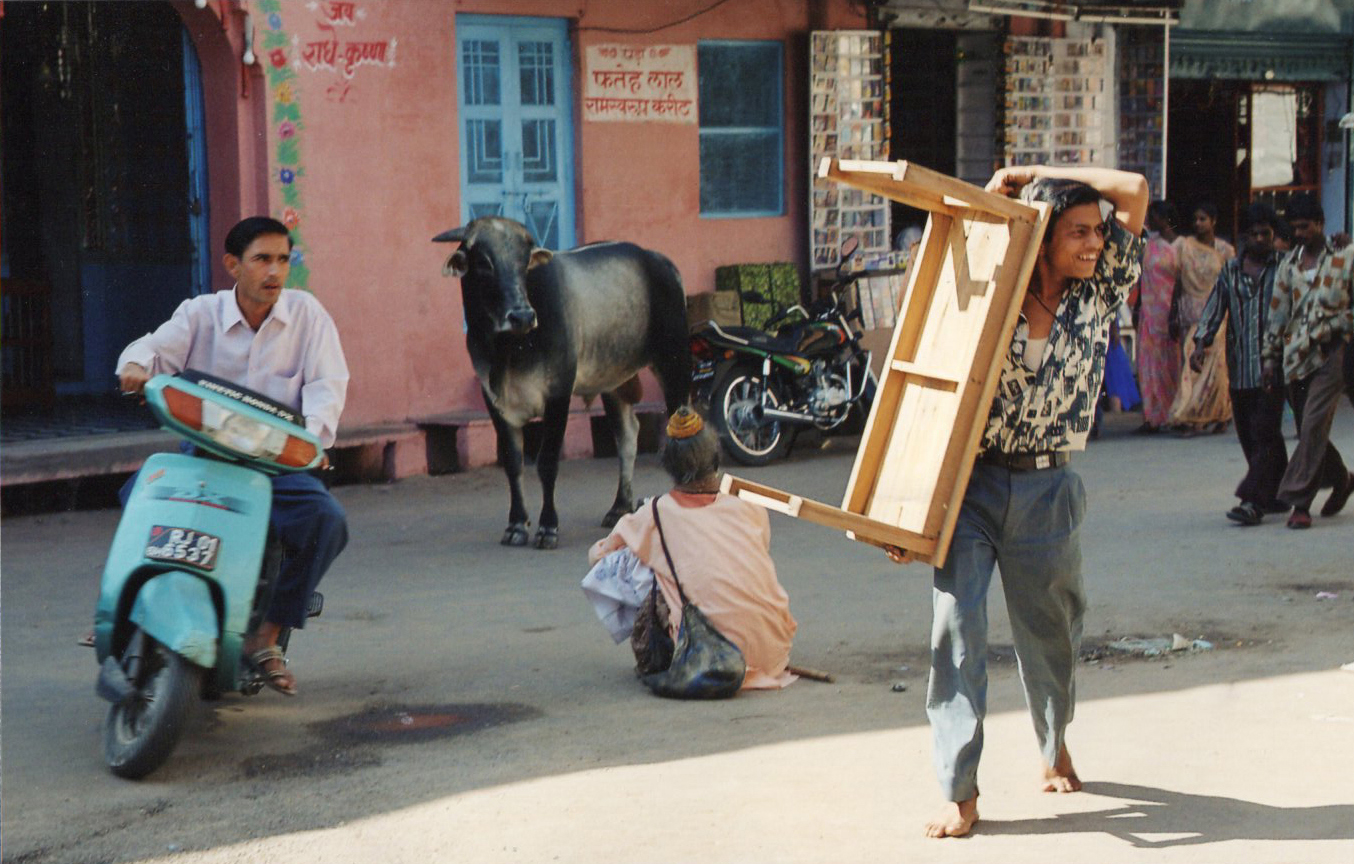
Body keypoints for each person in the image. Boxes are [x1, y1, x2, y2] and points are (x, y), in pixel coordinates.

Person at [884, 165, 1147, 838]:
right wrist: (905, 509)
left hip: (1049, 487)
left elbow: (1137, 189)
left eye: (1098, 231)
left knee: (1051, 633)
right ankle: (959, 790)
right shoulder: (988, 290)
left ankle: (1053, 739)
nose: (1094, 243)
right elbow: (926, 387)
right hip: (969, 486)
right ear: (1042, 233)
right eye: (1078, 231)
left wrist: (1039, 174)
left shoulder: (1102, 288)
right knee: (956, 634)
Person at [115, 216, 350, 695]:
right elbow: (152, 349)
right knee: (138, 495)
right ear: (232, 265)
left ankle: (265, 637)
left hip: (276, 464)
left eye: (283, 260)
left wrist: (314, 441)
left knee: (327, 520)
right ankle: (129, 610)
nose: (275, 272)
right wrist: (137, 368)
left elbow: (328, 385)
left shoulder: (307, 315)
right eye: (262, 259)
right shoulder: (201, 313)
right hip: (207, 455)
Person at [584, 407, 797, 690]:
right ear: (716, 459)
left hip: (709, 657)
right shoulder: (749, 508)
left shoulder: (654, 513)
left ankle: (662, 652)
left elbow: (598, 558)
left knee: (631, 561)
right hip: (774, 653)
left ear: (669, 466)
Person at [1189, 203, 1288, 525]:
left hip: (1275, 368)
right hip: (1240, 369)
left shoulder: (1285, 268)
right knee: (1252, 436)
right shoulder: (1230, 271)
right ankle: (1279, 493)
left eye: (1266, 234)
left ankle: (1252, 501)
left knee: (1264, 432)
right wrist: (1200, 344)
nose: (1260, 239)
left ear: (1273, 236)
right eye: (1253, 234)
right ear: (1244, 236)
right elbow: (1214, 309)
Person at [1261, 193, 1354, 528]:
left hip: (1334, 352)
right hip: (1297, 355)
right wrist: (1270, 359)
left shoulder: (1344, 256)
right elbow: (1278, 315)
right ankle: (1342, 478)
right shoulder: (1289, 266)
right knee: (1308, 429)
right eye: (1295, 228)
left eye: (1305, 227)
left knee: (1313, 422)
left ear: (1320, 224)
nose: (1299, 233)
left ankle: (1298, 502)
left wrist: (1338, 325)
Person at [1167, 202, 1236, 435]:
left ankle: (1203, 416)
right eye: (1195, 219)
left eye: (1203, 219)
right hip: (1190, 312)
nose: (1198, 224)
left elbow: (1230, 285)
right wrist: (1173, 312)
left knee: (1214, 369)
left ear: (1214, 221)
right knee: (1192, 363)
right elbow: (1177, 280)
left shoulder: (1226, 251)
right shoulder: (1184, 247)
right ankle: (1201, 415)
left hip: (1217, 315)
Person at [1130, 201, 1181, 433]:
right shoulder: (1148, 245)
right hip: (1150, 313)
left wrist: (1177, 311)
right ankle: (1152, 416)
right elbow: (1142, 278)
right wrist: (1137, 306)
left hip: (1171, 311)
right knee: (1149, 365)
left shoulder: (1180, 247)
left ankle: (1174, 412)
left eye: (1153, 216)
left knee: (1171, 364)